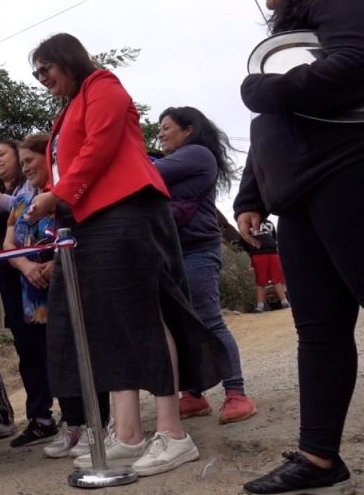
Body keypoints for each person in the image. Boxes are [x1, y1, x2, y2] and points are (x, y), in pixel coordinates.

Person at [25, 33, 227, 477]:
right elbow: (71, 162)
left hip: (126, 210)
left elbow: (99, 145)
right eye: (36, 74)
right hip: (90, 219)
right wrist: (57, 199)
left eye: (45, 68)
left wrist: (58, 194)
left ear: (67, 59)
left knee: (141, 317)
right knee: (108, 324)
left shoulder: (103, 85)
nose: (42, 78)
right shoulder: (67, 108)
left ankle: (173, 433)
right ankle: (129, 433)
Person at [233, 0, 364, 494]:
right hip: (299, 198)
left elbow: (357, 62)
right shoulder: (296, 32)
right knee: (319, 331)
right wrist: (251, 195)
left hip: (348, 175)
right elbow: (274, 126)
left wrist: (265, 89)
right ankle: (319, 459)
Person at [2, 134, 111, 460]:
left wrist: (56, 264)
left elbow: (84, 232)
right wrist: (25, 266)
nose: (25, 168)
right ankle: (71, 423)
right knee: (55, 356)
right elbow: (8, 244)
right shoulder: (21, 199)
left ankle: (97, 424)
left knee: (83, 352)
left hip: (72, 282)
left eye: (30, 160)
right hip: (33, 291)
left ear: (48, 157)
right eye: (22, 162)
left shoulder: (67, 190)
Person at [156, 106, 258, 425]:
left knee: (209, 319)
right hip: (171, 253)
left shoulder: (198, 154)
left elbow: (148, 174)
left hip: (197, 250)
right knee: (179, 325)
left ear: (188, 130)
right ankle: (193, 394)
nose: (160, 134)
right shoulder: (175, 162)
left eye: (166, 127)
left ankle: (236, 393)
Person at [0, 141, 57, 447]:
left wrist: (0, 199)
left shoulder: (28, 190)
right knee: (28, 349)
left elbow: (30, 214)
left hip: (45, 272)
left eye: (2, 154)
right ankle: (41, 417)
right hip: (11, 279)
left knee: (53, 344)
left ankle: (78, 416)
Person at [239, 219, 289, 313]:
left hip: (273, 253)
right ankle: (260, 306)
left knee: (277, 278)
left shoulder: (269, 223)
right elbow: (243, 241)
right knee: (261, 280)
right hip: (258, 254)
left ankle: (284, 302)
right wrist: (251, 254)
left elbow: (274, 237)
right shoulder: (246, 224)